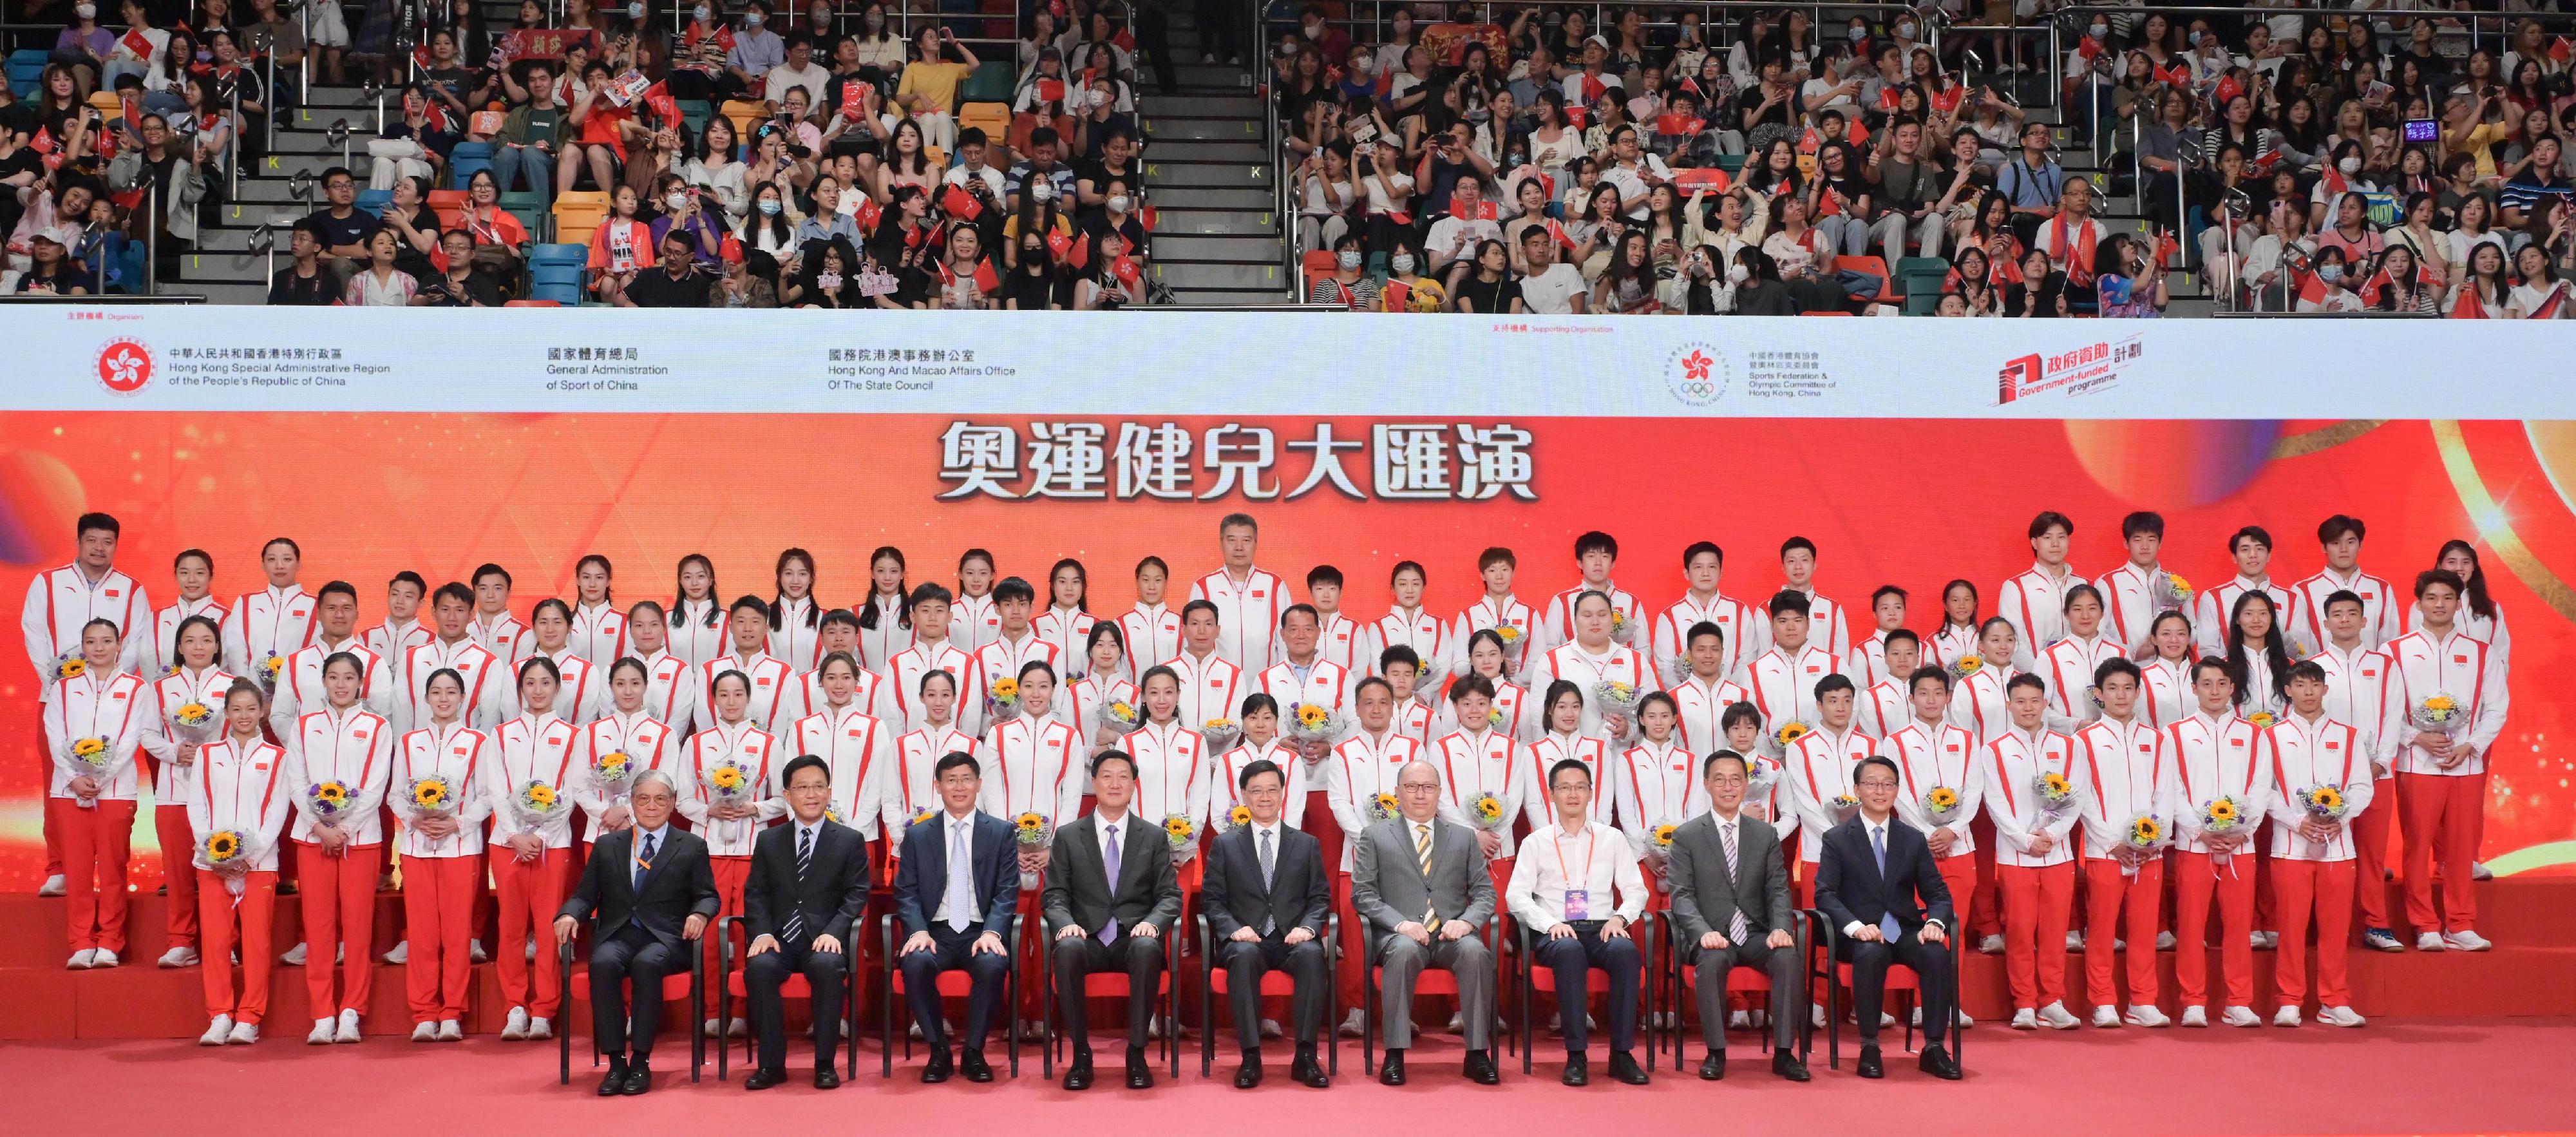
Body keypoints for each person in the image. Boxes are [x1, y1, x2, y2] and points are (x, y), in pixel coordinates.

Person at [556, 770, 720, 1096]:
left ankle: (641, 1061)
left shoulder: (691, 845)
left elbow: (708, 895)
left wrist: (700, 914)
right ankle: (616, 1063)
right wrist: (568, 915)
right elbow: (584, 896)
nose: (652, 806)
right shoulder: (608, 846)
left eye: (660, 799)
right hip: (618, 934)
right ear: (632, 803)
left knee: (648, 963)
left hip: (666, 939)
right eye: (643, 799)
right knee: (602, 963)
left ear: (672, 804)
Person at [1349, 758, 1499, 1085]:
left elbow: (1485, 894)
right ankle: (1395, 1055)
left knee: (1475, 953)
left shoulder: (1462, 837)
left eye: (1428, 787)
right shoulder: (1374, 835)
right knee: (1402, 952)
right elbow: (1362, 894)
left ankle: (1476, 1055)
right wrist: (1399, 924)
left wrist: (1467, 923)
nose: (1420, 795)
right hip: (1400, 934)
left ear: (1439, 793)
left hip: (1451, 934)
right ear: (1398, 792)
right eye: (1412, 787)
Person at [2381, 569, 2508, 952]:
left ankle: (2460, 923)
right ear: (2419, 603)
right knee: (2417, 846)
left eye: (2448, 598)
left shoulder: (2480, 652)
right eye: (2432, 598)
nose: (2440, 605)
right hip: (2417, 765)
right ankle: (2424, 925)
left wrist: (2470, 745)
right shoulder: (2395, 651)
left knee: (2460, 848)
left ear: (2459, 602)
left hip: (2465, 765)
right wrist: (2415, 736)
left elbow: (2497, 708)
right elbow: (2386, 713)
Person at [1813, 754, 1961, 1079]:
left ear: (1896, 791)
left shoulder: (1911, 838)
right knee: (1871, 952)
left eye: (1888, 784)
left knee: (1937, 953)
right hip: (1860, 934)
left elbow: (1937, 893)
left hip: (1905, 930)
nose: (1880, 791)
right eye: (1871, 784)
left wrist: (1934, 923)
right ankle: (1870, 1046)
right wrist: (1855, 927)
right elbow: (1825, 893)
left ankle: (1934, 1047)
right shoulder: (1837, 838)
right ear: (1857, 789)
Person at [1043, 749, 1183, 1091]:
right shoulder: (1068, 835)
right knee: (1068, 949)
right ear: (1094, 783)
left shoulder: (1152, 836)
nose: (1115, 783)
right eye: (1107, 776)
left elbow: (1170, 895)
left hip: (1131, 936)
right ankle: (1081, 1056)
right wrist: (1064, 923)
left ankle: (1136, 1054)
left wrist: (1153, 921)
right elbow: (1054, 895)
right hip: (1086, 937)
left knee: (1149, 948)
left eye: (1123, 776)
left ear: (1134, 785)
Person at [1667, 750, 1808, 1080]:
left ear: (1746, 785)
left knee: (1788, 956)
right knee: (1713, 960)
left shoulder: (1765, 834)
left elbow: (1777, 888)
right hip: (1713, 932)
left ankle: (1785, 1053)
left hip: (1756, 931)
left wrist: (1779, 928)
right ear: (1706, 784)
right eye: (1719, 779)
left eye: (1735, 779)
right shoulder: (1687, 835)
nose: (1728, 787)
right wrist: (1702, 933)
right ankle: (1716, 1052)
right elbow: (1682, 895)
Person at [1506, 758, 1647, 1085]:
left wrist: (1620, 917)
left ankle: (1622, 1055)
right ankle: (1576, 1056)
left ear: (1591, 794)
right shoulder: (1536, 841)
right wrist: (1547, 922)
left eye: (1580, 787)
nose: (1573, 794)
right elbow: (1517, 896)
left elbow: (1635, 889)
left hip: (1602, 927)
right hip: (1555, 931)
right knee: (1569, 951)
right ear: (1552, 795)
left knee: (1626, 953)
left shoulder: (1612, 838)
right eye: (1564, 788)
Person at [281, 651, 395, 1044]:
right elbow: (296, 782)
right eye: (334, 677)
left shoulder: (378, 727)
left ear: (361, 683)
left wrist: (344, 828)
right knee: (318, 927)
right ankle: (322, 1013)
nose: (342, 685)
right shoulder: (305, 725)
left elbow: (376, 785)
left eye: (349, 677)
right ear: (324, 683)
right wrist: (318, 827)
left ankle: (351, 1011)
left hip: (359, 842)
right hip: (311, 839)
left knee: (359, 928)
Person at [739, 753, 871, 1089]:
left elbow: (856, 894)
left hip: (823, 938)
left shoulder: (849, 840)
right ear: (787, 795)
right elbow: (756, 893)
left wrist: (835, 931)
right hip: (779, 937)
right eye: (802, 788)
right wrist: (762, 933)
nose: (811, 795)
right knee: (760, 968)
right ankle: (771, 1065)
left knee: (828, 967)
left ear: (829, 792)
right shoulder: (769, 840)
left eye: (818, 787)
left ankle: (825, 1063)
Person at [1201, 758, 1332, 1088]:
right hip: (1247, 939)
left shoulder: (1305, 843)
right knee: (1243, 957)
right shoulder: (1225, 845)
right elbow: (1213, 901)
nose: (1265, 797)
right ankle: (1250, 1057)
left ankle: (1305, 1057)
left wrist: (1309, 928)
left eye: (1272, 790)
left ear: (1283, 794)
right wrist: (1234, 929)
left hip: (1292, 939)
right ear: (1244, 795)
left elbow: (1320, 898)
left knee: (1313, 955)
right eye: (1257, 791)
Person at [892, 750, 1017, 1082]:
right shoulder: (919, 835)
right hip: (935, 931)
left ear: (978, 784)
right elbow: (906, 891)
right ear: (938, 786)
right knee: (916, 963)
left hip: (981, 929)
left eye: (966, 779)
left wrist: (993, 931)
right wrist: (917, 930)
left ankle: (974, 1052)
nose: (959, 787)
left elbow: (1007, 891)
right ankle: (938, 1050)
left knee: (992, 965)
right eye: (951, 780)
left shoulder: (1001, 832)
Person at [2259, 662, 2370, 1029]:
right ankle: (2289, 1000)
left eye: (2315, 685)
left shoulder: (2349, 736)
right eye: (2300, 685)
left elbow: (2361, 787)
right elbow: (2265, 791)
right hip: (2290, 847)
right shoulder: (2270, 737)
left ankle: (2334, 1001)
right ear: (2288, 691)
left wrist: (2341, 818)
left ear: (2325, 690)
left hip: (2339, 848)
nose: (2308, 691)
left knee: (2335, 928)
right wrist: (2297, 822)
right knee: (2290, 927)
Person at [2073, 658, 2173, 1027]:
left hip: (2149, 854)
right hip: (2104, 852)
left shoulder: (2157, 740)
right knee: (2101, 929)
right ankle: (2102, 1001)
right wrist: (2113, 842)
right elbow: (2083, 799)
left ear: (2138, 693)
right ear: (2098, 694)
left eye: (2128, 688)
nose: (2120, 695)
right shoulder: (2084, 741)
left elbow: (2166, 794)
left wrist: (2154, 840)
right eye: (2112, 688)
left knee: (2145, 929)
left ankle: (2143, 1000)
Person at [2168, 659, 2268, 1027]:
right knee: (2192, 926)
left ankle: (2238, 1001)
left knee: (2239, 926)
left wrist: (2243, 830)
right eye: (2206, 683)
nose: (2214, 690)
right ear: (2193, 688)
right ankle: (2193, 1000)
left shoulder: (2254, 734)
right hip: (2195, 846)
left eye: (2221, 683)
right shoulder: (2174, 734)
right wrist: (2200, 831)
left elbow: (2261, 786)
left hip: (2241, 846)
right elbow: (2171, 790)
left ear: (2232, 689)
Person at [394, 667, 491, 1041]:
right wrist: (415, 819)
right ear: (426, 698)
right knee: (421, 934)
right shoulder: (408, 742)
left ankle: (452, 1011)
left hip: (461, 848)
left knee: (456, 933)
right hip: (418, 849)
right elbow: (395, 794)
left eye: (452, 691)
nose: (444, 698)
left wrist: (459, 823)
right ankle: (423, 1012)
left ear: (463, 698)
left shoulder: (478, 741)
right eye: (437, 691)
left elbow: (486, 795)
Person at [191, 679, 289, 1045]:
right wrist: (212, 853)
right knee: (216, 942)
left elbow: (277, 811)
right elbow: (197, 807)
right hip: (211, 865)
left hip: (258, 865)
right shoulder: (208, 754)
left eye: (251, 709)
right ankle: (219, 1014)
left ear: (263, 711)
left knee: (256, 942)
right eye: (236, 709)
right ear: (226, 713)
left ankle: (249, 1017)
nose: (244, 716)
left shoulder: (277, 758)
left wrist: (249, 855)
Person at [1984, 673, 2081, 1031]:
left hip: (2059, 855)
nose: (2028, 707)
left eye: (2035, 701)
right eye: (2020, 701)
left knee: (2056, 932)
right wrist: (2025, 840)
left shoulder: (2070, 747)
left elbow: (2077, 797)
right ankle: (2024, 1002)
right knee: (2022, 931)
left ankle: (2053, 1000)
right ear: (2009, 705)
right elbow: (1995, 802)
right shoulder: (1994, 749)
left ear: (2046, 704)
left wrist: (2053, 835)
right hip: (2016, 856)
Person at [46, 617, 144, 970]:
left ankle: (110, 942)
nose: (99, 648)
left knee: (115, 868)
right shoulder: (63, 689)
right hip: (67, 791)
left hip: (116, 790)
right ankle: (81, 942)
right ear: (82, 647)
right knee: (77, 869)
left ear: (119, 646)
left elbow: (131, 738)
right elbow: (56, 738)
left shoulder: (136, 688)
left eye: (106, 641)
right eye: (91, 641)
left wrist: (101, 777)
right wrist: (73, 777)